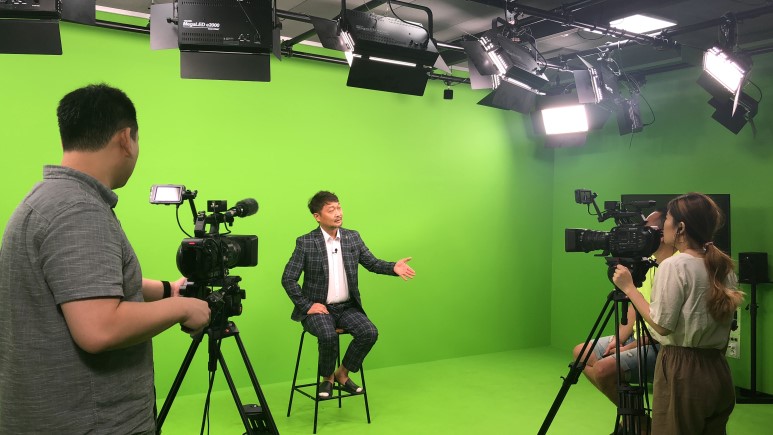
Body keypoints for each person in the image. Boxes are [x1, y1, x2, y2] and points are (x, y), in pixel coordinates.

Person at [0, 84, 211, 434]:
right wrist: (183, 308)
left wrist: (168, 289)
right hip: (92, 420)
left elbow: (81, 288)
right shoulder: (79, 210)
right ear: (126, 139)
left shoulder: (47, 198)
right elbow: (99, 328)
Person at [613, 193, 744, 434]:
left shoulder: (674, 266)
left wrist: (629, 288)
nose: (662, 227)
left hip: (682, 371)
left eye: (667, 220)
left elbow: (662, 325)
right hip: (718, 369)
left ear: (680, 227)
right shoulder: (723, 266)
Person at [282, 190, 415, 398]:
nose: (338, 213)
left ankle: (342, 374)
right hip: (319, 309)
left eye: (339, 207)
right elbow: (288, 278)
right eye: (331, 210)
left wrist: (392, 267)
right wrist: (307, 306)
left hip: (347, 308)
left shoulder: (352, 237)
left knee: (369, 332)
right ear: (317, 216)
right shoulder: (305, 242)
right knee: (327, 335)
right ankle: (327, 379)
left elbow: (372, 263)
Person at [573, 210, 676, 410]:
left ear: (661, 234)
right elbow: (634, 307)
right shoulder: (647, 262)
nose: (637, 236)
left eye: (645, 230)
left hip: (662, 345)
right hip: (637, 339)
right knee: (581, 353)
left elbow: (662, 328)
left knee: (602, 371)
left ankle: (634, 417)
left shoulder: (673, 266)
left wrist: (626, 349)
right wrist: (617, 340)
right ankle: (634, 413)